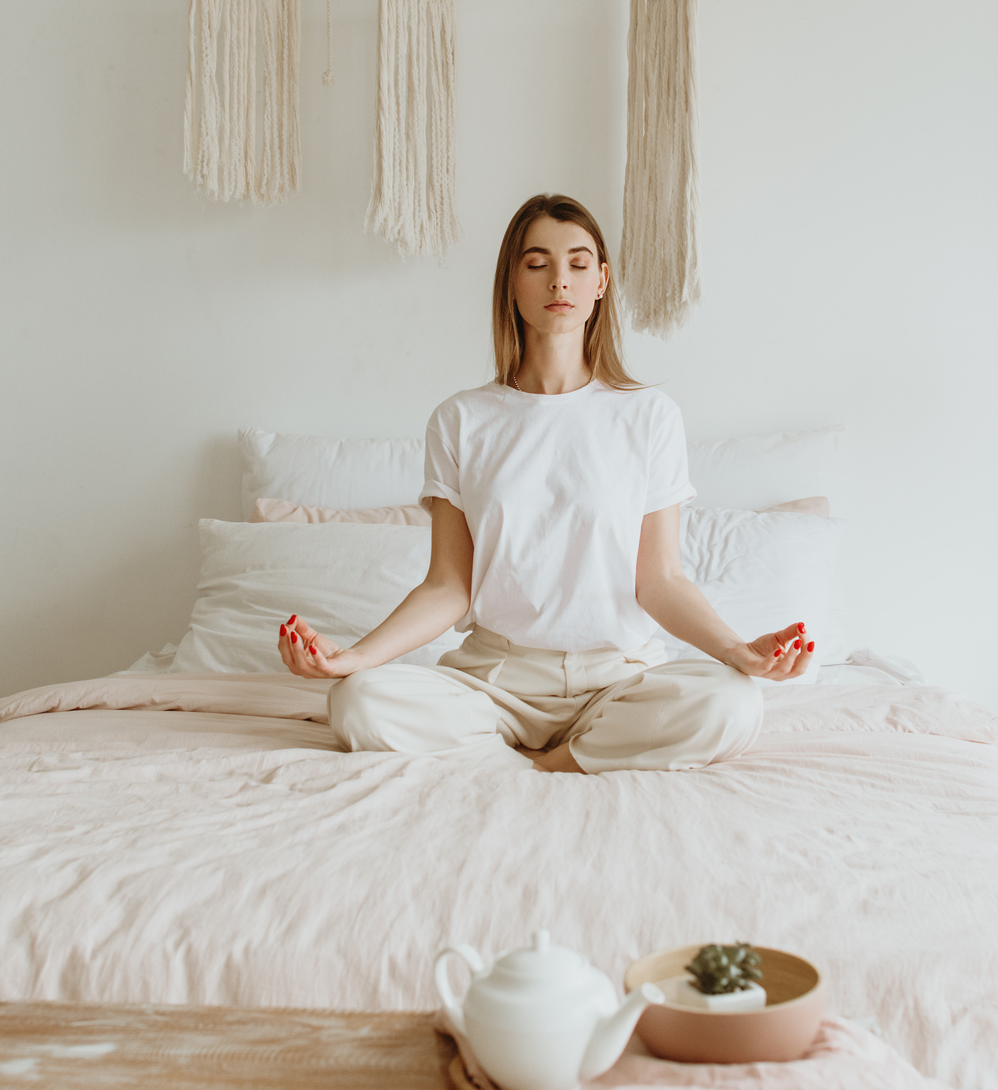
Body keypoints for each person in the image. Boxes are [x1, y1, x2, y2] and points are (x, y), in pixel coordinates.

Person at [276, 193, 814, 773]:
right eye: (538, 264)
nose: (560, 280)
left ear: (602, 281)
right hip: (493, 682)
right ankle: (541, 756)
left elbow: (660, 579)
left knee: (733, 703)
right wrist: (353, 658)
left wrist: (738, 651)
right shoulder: (461, 419)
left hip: (617, 680)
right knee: (358, 701)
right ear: (511, 280)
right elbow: (448, 586)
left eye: (578, 264)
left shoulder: (649, 416)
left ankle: (551, 762)